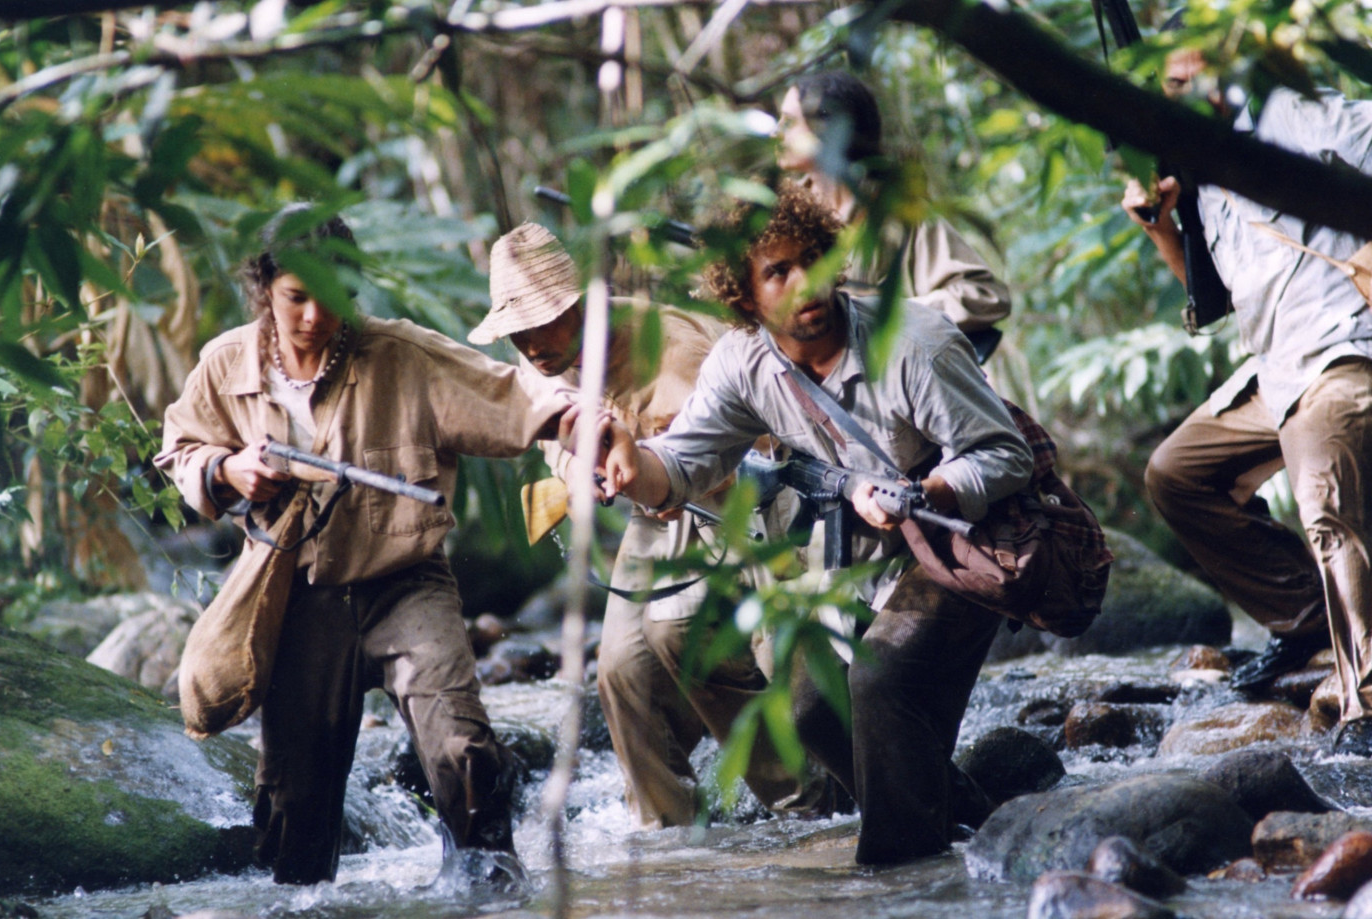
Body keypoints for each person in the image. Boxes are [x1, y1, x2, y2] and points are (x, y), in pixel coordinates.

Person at [602, 182, 1034, 864]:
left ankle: (897, 874)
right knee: (810, 709)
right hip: (860, 555)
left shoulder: (914, 344)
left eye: (813, 259)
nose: (806, 281)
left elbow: (1006, 457)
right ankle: (969, 830)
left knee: (878, 684)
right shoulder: (742, 363)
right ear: (746, 298)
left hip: (961, 542)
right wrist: (632, 465)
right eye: (778, 271)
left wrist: (927, 491)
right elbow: (681, 464)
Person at [154, 206, 580, 884]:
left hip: (406, 584)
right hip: (297, 597)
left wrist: (592, 422)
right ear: (265, 287)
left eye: (331, 297)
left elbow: (513, 397)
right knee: (294, 810)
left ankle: (489, 887)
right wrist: (228, 470)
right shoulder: (224, 363)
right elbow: (179, 452)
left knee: (463, 750)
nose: (313, 317)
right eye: (296, 297)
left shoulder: (401, 353)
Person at [468, 222, 824, 826]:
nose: (527, 343)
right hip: (652, 507)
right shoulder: (542, 361)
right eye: (516, 332)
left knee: (687, 637)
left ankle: (803, 807)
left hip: (738, 498)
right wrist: (580, 471)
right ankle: (666, 830)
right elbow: (553, 436)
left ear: (579, 307)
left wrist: (650, 471)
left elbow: (737, 447)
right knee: (618, 671)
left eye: (539, 324)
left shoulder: (672, 348)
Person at [1121, 41, 1372, 749]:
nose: (1172, 96)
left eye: (1184, 78)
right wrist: (1161, 226)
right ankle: (1305, 619)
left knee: (1321, 493)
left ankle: (1366, 700)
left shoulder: (1290, 115)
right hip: (1279, 368)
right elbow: (1212, 297)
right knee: (1176, 474)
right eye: (1163, 86)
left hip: (1346, 345)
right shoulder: (1199, 170)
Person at [776, 69, 1011, 338]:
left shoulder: (896, 212)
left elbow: (984, 297)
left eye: (789, 122)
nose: (776, 132)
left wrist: (884, 314)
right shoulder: (778, 216)